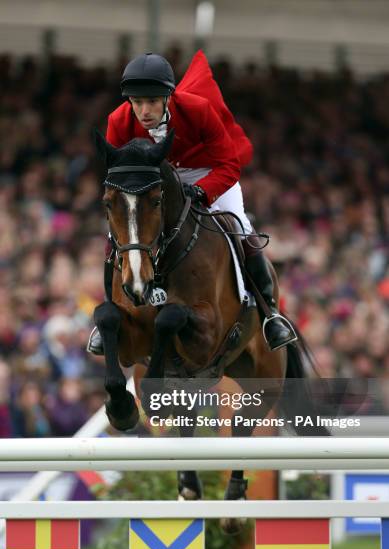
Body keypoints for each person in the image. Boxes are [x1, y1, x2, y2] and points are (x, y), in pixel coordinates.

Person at [88, 52, 295, 353]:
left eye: (152, 102)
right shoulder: (118, 121)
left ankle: (269, 312)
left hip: (206, 172)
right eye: (137, 102)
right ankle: (112, 308)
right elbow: (118, 176)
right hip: (154, 181)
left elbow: (228, 164)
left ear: (168, 97)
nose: (144, 111)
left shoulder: (198, 110)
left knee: (241, 226)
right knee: (118, 236)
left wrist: (202, 190)